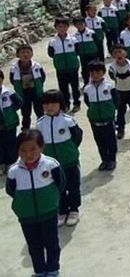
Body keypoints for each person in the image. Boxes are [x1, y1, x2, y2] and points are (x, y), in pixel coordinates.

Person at [5, 129, 65, 277]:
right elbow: (11, 190)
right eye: (23, 151)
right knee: (34, 246)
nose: (28, 154)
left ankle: (52, 270)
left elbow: (61, 183)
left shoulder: (51, 165)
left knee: (52, 244)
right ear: (18, 151)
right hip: (27, 217)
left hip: (49, 213)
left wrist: (50, 200)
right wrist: (23, 205)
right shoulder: (13, 171)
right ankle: (39, 271)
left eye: (33, 149)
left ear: (41, 147)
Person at [36, 90, 83, 227]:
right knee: (57, 187)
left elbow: (77, 137)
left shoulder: (68, 121)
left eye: (53, 103)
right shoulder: (40, 123)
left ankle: (74, 209)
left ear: (60, 105)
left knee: (73, 185)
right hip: (51, 165)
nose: (49, 106)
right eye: (46, 103)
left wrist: (70, 151)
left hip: (69, 161)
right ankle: (62, 210)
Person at [83, 60, 118, 171]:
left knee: (111, 140)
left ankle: (112, 159)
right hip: (94, 120)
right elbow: (87, 102)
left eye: (98, 72)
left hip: (108, 119)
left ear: (103, 72)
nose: (95, 75)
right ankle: (104, 160)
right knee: (100, 141)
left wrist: (110, 111)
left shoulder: (109, 86)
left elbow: (116, 101)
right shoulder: (87, 89)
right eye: (92, 73)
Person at [108, 44, 130, 140]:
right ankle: (120, 129)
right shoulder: (112, 67)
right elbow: (112, 76)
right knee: (120, 111)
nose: (118, 54)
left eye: (120, 52)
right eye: (115, 53)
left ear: (125, 53)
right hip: (120, 91)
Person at [48, 17, 81, 112]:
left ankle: (76, 103)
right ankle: (65, 104)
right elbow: (51, 54)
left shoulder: (73, 39)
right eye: (59, 26)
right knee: (63, 88)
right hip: (61, 68)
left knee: (75, 87)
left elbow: (77, 51)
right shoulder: (53, 41)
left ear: (67, 27)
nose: (62, 28)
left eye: (64, 26)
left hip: (73, 67)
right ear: (56, 28)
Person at [10, 44, 45, 130]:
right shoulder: (14, 68)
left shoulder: (37, 65)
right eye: (22, 53)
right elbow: (12, 80)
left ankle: (43, 127)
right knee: (25, 112)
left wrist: (39, 87)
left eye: (27, 52)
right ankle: (25, 128)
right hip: (23, 93)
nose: (25, 55)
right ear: (18, 55)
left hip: (36, 91)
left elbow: (42, 77)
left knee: (40, 110)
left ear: (31, 54)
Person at [0, 69, 22, 174]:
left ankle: (10, 163)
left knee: (11, 144)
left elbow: (19, 103)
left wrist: (11, 113)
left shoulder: (8, 93)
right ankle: (1, 163)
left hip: (10, 124)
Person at [72, 16, 99, 86]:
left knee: (95, 68)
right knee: (85, 70)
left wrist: (97, 52)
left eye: (81, 24)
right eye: (78, 24)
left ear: (85, 24)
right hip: (83, 55)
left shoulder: (91, 33)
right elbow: (75, 47)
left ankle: (97, 81)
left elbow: (97, 42)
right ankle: (86, 83)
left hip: (93, 54)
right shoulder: (75, 36)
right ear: (75, 26)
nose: (80, 26)